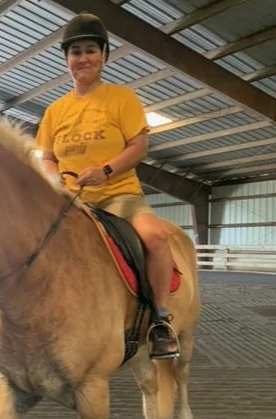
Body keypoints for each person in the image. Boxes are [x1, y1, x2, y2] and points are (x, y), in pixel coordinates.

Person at [36, 12, 179, 360]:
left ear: (103, 56)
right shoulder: (55, 110)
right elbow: (46, 156)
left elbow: (139, 146)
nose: (82, 58)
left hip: (119, 195)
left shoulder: (122, 98)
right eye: (75, 52)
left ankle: (160, 320)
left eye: (90, 50)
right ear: (67, 59)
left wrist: (106, 170)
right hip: (72, 202)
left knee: (156, 238)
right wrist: (54, 179)